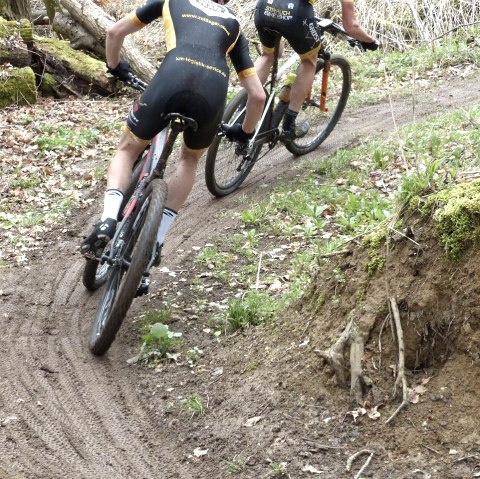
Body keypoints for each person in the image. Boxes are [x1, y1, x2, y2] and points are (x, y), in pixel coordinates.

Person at [81, 0, 265, 270]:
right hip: (212, 93)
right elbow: (258, 95)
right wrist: (244, 133)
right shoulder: (234, 25)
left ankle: (108, 219)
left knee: (127, 150)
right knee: (189, 160)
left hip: (171, 78)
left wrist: (115, 66)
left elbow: (114, 33)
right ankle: (156, 243)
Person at [250, 0, 379, 140]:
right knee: (309, 61)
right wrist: (370, 41)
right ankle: (288, 126)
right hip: (295, 13)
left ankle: (243, 111)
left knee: (267, 55)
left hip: (264, 7)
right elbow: (351, 26)